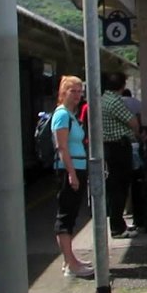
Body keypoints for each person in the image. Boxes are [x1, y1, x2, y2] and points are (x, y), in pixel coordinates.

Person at [52, 75, 94, 278]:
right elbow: (62, 146)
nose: (77, 95)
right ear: (63, 92)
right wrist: (71, 174)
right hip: (70, 169)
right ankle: (70, 264)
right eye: (73, 91)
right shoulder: (62, 115)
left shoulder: (70, 114)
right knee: (65, 217)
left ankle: (71, 260)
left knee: (71, 215)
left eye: (80, 91)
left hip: (76, 167)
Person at [101, 72, 140, 238]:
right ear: (122, 86)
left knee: (116, 186)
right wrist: (136, 134)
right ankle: (117, 227)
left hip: (110, 148)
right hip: (118, 147)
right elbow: (133, 122)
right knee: (120, 187)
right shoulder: (114, 101)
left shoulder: (103, 99)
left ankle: (119, 224)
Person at [121, 88, 145, 232]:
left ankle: (126, 209)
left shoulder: (118, 103)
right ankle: (136, 214)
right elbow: (137, 121)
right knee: (136, 181)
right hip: (133, 144)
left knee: (124, 182)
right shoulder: (136, 103)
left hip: (123, 147)